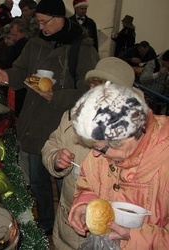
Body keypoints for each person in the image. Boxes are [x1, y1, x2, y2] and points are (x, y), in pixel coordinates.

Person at [0, 0, 99, 235]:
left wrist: (56, 96)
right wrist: (6, 76)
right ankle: (47, 222)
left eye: (44, 21)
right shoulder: (35, 43)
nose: (40, 27)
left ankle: (68, 226)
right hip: (34, 119)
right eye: (37, 22)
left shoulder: (82, 48)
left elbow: (89, 89)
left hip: (64, 126)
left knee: (65, 182)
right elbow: (21, 71)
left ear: (59, 17)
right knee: (38, 179)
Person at [42, 57, 140, 249]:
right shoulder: (72, 117)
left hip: (114, 235)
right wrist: (56, 158)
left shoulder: (138, 135)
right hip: (70, 228)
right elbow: (51, 144)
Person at [68, 82, 169, 249]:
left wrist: (135, 236)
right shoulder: (104, 149)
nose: (94, 155)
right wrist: (84, 204)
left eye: (99, 148)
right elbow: (88, 181)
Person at [138, 50, 169, 114]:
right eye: (168, 63)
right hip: (147, 94)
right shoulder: (153, 63)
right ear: (164, 60)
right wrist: (158, 74)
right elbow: (142, 78)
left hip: (160, 97)